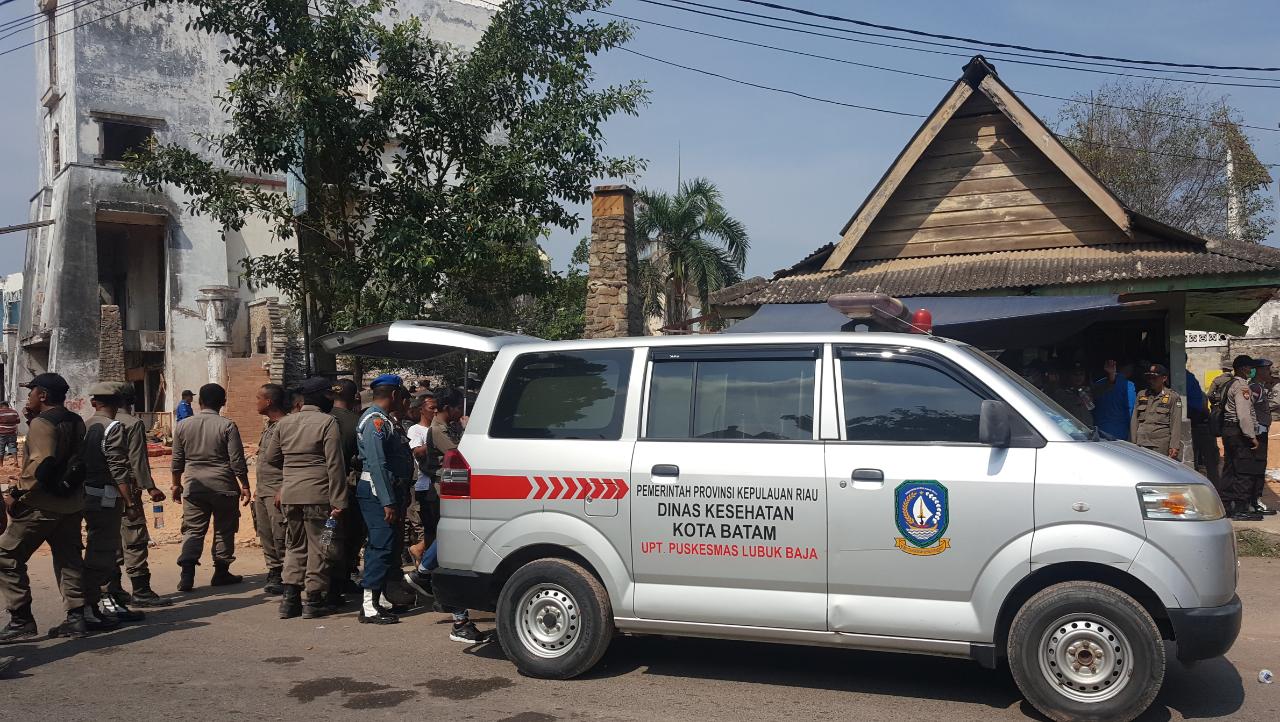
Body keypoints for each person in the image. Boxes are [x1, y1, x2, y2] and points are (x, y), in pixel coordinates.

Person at [0, 373, 90, 642]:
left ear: (43, 395)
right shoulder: (74, 420)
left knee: (5, 555)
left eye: (31, 392)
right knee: (69, 560)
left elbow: (41, 463)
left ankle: (21, 618)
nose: (28, 397)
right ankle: (76, 617)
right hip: (71, 502)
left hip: (41, 505)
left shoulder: (42, 423)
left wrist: (16, 494)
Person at [404, 386, 489, 644]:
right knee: (453, 545)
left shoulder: (448, 428)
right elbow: (463, 454)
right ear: (448, 407)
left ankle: (427, 575)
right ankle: (428, 574)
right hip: (444, 493)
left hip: (453, 491)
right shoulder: (438, 430)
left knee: (453, 545)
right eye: (458, 407)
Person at [264, 377, 347, 619]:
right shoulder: (327, 422)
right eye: (329, 396)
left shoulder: (284, 424)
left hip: (291, 494)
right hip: (319, 495)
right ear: (321, 397)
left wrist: (292, 472)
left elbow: (271, 458)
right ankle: (313, 599)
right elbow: (335, 464)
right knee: (320, 546)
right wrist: (339, 500)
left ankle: (290, 599)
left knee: (294, 545)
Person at [171, 383, 251, 591]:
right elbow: (237, 460)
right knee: (224, 529)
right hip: (223, 485)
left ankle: (187, 575)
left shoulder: (183, 426)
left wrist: (175, 485)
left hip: (194, 486)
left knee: (193, 531)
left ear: (200, 402)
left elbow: (177, 460)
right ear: (223, 403)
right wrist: (245, 485)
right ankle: (221, 572)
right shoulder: (227, 426)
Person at [81, 383, 143, 626]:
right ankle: (94, 605)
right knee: (104, 553)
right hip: (106, 497)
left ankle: (100, 603)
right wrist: (129, 501)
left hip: (86, 494)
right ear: (118, 404)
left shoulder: (86, 425)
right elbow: (117, 467)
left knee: (99, 549)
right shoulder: (113, 427)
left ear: (94, 402)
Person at [106, 382, 170, 608]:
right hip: (126, 490)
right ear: (131, 400)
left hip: (102, 492)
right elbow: (137, 460)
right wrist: (150, 487)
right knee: (134, 537)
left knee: (109, 537)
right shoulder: (132, 424)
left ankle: (112, 591)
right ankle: (141, 590)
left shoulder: (94, 423)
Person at [353, 375, 410, 624]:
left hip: (388, 491)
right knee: (381, 544)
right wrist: (387, 501)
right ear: (395, 395)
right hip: (378, 492)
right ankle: (368, 605)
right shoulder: (375, 422)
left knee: (389, 544)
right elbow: (377, 464)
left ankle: (380, 599)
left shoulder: (386, 420)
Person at [252, 384, 290, 596]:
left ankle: (287, 575)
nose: (255, 402)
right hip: (264, 489)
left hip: (277, 489)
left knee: (281, 534)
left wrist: (284, 487)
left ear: (269, 402)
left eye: (258, 398)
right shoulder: (268, 426)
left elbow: (290, 461)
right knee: (265, 533)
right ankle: (274, 571)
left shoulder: (285, 426)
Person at [328, 378, 364, 600]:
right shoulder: (357, 422)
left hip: (321, 488)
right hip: (348, 488)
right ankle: (340, 581)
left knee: (326, 536)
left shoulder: (323, 419)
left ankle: (326, 582)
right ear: (354, 398)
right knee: (350, 536)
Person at [1218, 355, 1263, 521]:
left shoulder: (1227, 383)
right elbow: (1243, 415)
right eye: (1250, 367)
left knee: (1230, 469)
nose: (1252, 370)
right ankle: (1240, 508)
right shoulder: (1242, 386)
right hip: (1238, 431)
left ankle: (1225, 504)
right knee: (1243, 470)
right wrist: (1251, 436)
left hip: (1228, 430)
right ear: (1244, 368)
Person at [1130, 365, 1184, 460]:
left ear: (1164, 378)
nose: (1151, 381)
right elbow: (1135, 420)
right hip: (1141, 443)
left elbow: (1175, 423)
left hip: (1159, 445)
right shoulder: (1142, 395)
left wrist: (1174, 446)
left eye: (1154, 378)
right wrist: (1133, 441)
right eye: (1149, 378)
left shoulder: (1172, 397)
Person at [1249, 360, 1277, 516]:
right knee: (1257, 467)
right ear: (1258, 371)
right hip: (1258, 433)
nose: (1269, 373)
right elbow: (1248, 409)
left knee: (1259, 466)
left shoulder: (1260, 388)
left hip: (1261, 431)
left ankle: (1254, 500)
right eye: (1266, 370)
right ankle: (1254, 501)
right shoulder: (1255, 388)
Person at [1185, 370, 1219, 485]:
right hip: (1203, 427)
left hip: (1197, 427)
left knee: (1194, 462)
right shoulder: (1199, 392)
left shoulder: (1187, 383)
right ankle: (1215, 488)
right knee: (1211, 463)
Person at [1092, 360, 1136, 441]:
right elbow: (1131, 410)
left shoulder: (1098, 383)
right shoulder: (1128, 385)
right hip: (1119, 432)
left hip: (1098, 430)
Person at [0, 401, 20, 470]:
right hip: (12, 433)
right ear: (7, 405)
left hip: (2, 433)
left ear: (2, 405)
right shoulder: (14, 412)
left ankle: (1, 464)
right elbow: (18, 421)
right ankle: (16, 461)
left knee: (1, 448)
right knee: (13, 446)